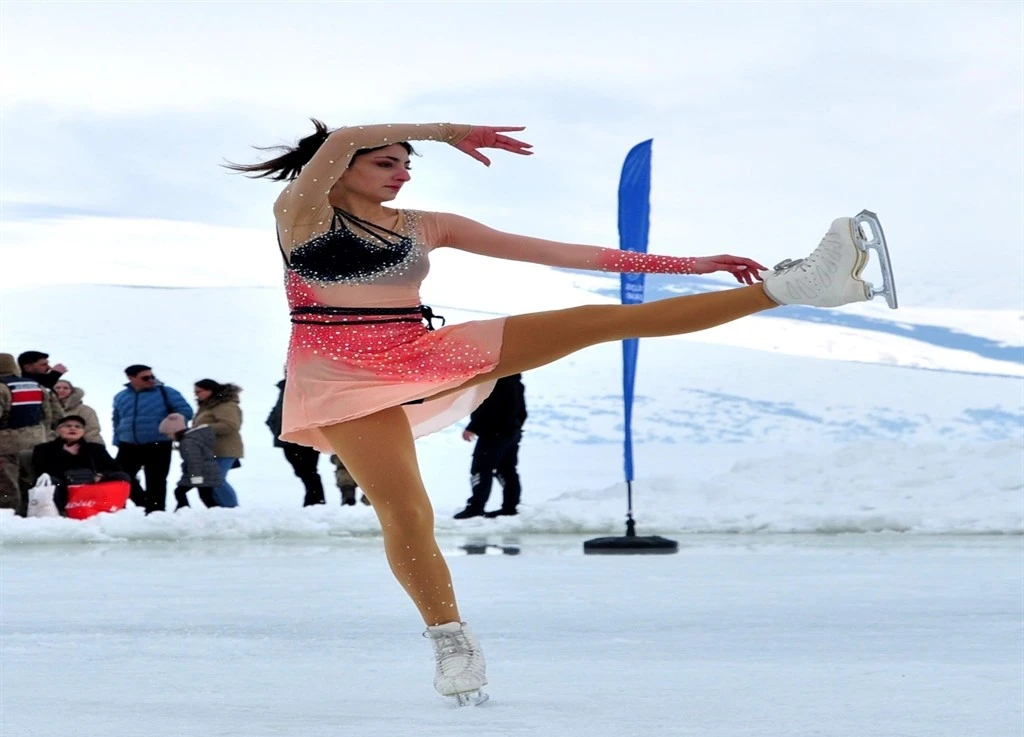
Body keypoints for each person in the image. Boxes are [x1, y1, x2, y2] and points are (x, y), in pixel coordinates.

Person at [227, 119, 895, 705]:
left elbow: (560, 253)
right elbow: (346, 134)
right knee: (406, 510)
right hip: (338, 374)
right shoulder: (301, 213)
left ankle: (794, 287)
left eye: (408, 163)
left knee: (595, 320)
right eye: (386, 161)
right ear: (338, 169)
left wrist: (692, 263)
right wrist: (447, 132)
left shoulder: (425, 225)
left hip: (419, 347)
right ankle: (450, 640)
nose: (402, 173)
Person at [112, 365, 194, 513]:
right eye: (145, 378)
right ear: (131, 378)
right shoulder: (121, 396)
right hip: (128, 444)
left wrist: (176, 419)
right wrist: (117, 438)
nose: (151, 380)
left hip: (158, 443)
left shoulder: (167, 392)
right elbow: (117, 419)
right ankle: (143, 503)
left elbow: (186, 410)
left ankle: (156, 513)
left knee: (156, 481)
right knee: (119, 476)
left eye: (152, 376)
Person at [454, 373, 527, 520]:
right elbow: (522, 412)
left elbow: (490, 406)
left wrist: (473, 427)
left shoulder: (495, 382)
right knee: (506, 469)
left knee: (481, 469)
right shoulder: (515, 381)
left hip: (494, 432)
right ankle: (510, 508)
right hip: (511, 431)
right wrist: (515, 428)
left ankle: (475, 508)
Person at [0, 353, 63, 514]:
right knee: (31, 481)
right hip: (37, 441)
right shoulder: (36, 385)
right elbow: (55, 415)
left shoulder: (1, 387)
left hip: (5, 444)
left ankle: (8, 516)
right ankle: (32, 515)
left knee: (6, 485)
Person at [31, 415, 130, 513]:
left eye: (77, 426)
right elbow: (41, 470)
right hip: (62, 486)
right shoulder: (43, 449)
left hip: (92, 486)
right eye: (68, 426)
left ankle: (113, 508)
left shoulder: (95, 449)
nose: (73, 428)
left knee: (121, 476)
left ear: (83, 431)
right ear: (58, 430)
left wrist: (101, 475)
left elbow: (114, 468)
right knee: (48, 481)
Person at [267, 377, 326, 506]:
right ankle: (314, 500)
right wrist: (276, 428)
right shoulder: (285, 388)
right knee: (303, 471)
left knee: (308, 471)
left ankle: (315, 500)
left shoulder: (305, 387)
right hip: (289, 440)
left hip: (305, 439)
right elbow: (276, 414)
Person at [191, 379, 243, 508]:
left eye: (199, 391)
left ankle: (231, 507)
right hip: (210, 450)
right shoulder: (207, 406)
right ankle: (219, 508)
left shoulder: (226, 405)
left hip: (225, 449)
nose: (196, 395)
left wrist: (204, 429)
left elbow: (230, 425)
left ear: (210, 390)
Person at [159, 413, 222, 510]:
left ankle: (184, 511)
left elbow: (194, 460)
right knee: (204, 495)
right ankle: (185, 511)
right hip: (205, 472)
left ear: (175, 431)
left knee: (182, 492)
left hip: (201, 473)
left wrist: (196, 476)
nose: (168, 437)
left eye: (168, 434)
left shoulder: (187, 442)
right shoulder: (190, 439)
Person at [52, 380, 105, 445]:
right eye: (57, 388)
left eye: (65, 388)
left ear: (72, 391)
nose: (61, 390)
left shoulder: (85, 410)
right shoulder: (45, 409)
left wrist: (92, 447)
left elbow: (91, 430)